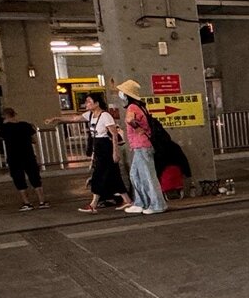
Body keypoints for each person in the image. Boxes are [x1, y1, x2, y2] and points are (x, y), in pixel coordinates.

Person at [49, 93, 130, 213]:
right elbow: (74, 118)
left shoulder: (105, 115)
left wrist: (115, 152)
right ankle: (127, 200)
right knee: (113, 175)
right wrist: (57, 119)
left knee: (98, 175)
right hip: (98, 148)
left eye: (89, 101)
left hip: (106, 147)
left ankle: (93, 204)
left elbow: (113, 134)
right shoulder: (90, 114)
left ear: (97, 103)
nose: (86, 103)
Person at [117, 79, 165, 215]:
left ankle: (157, 205)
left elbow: (129, 120)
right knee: (135, 175)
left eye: (122, 93)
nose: (120, 95)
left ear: (127, 95)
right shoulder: (140, 106)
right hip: (141, 146)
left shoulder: (132, 107)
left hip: (142, 146)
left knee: (147, 176)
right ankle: (140, 203)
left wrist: (136, 128)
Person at [0, 107, 47, 210]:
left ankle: (27, 203)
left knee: (19, 179)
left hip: (14, 157)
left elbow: (2, 138)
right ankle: (42, 201)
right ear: (15, 114)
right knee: (35, 177)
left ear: (4, 116)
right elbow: (33, 140)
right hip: (28, 155)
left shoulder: (3, 128)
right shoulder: (25, 125)